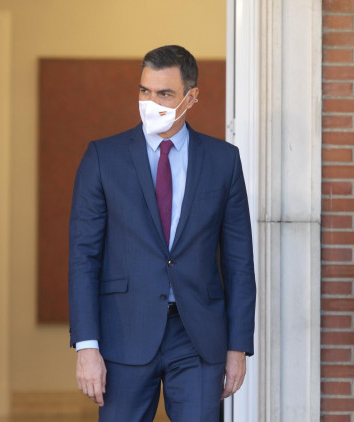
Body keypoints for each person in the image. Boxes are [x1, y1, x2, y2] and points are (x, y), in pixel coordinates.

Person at [68, 45, 256, 422]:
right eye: (144, 91)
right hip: (123, 334)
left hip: (198, 338)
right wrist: (86, 346)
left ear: (192, 97)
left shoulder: (223, 161)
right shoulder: (103, 157)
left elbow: (238, 261)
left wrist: (238, 346)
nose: (151, 102)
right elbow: (83, 257)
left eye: (164, 94)